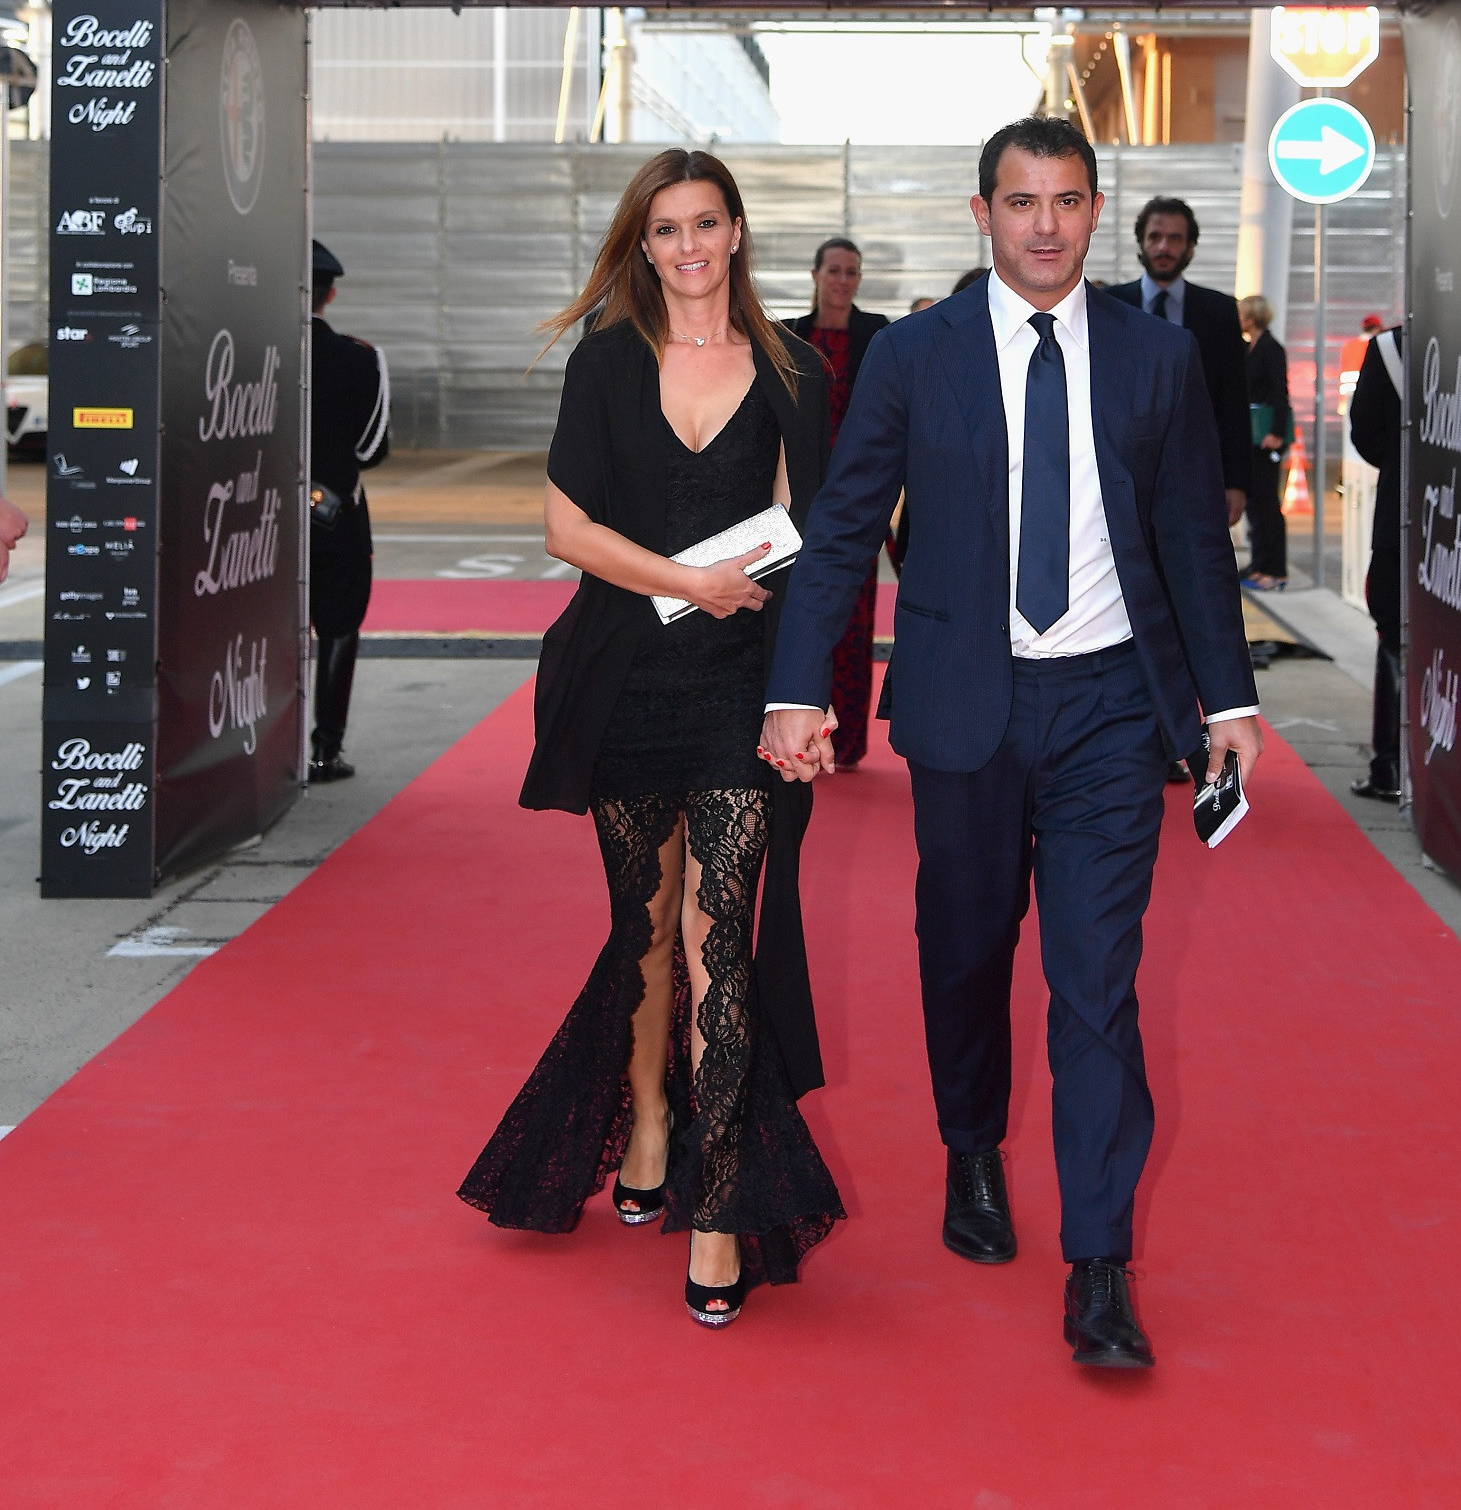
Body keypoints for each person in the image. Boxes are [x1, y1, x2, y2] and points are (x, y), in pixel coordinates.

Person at [763, 117, 1260, 1371]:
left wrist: (1229, 702)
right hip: (965, 703)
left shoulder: (1155, 358)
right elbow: (843, 527)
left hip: (1110, 709)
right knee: (967, 951)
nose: (1047, 224)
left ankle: (1099, 1265)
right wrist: (796, 688)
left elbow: (1193, 542)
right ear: (981, 212)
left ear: (1096, 212)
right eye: (1023, 201)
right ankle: (971, 1145)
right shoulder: (914, 354)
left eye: (1069, 200)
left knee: (1097, 983)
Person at [460, 150, 844, 1325]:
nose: (687, 247)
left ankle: (718, 1209)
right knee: (646, 931)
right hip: (624, 680)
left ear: (737, 232)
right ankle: (649, 1116)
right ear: (644, 244)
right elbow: (565, 528)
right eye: (665, 229)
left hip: (738, 689)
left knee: (720, 938)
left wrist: (805, 693)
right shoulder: (608, 362)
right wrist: (689, 581)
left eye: (705, 224)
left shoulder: (794, 368)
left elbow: (813, 539)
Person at [785, 239, 890, 770]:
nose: (843, 280)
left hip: (858, 496)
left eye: (852, 272)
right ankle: (793, 726)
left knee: (853, 618)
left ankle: (845, 741)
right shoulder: (790, 336)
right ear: (816, 274)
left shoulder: (877, 333)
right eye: (834, 270)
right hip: (798, 497)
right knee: (797, 609)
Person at [1106, 198, 1251, 530]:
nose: (1164, 247)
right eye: (1155, 237)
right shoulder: (1109, 306)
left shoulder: (1219, 312)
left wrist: (1237, 482)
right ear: (1141, 242)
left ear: (1190, 247)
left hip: (1196, 475)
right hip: (1120, 475)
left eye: (1175, 239)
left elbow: (1233, 401)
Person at [308, 241, 390, 783]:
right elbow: (371, 448)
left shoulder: (247, 354)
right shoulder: (361, 358)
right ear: (329, 295)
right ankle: (324, 752)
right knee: (338, 626)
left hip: (252, 516)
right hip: (335, 517)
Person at [1348, 320, 1403, 801]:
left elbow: (1365, 433)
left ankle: (1391, 764)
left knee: (1394, 632)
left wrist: (1402, 459)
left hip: (1401, 516)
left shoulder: (1389, 347)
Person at [1239, 295, 1292, 591]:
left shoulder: (1271, 349)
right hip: (1252, 435)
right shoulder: (1249, 348)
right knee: (1254, 504)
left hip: (1267, 437)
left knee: (1267, 503)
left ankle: (1275, 568)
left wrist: (1277, 433)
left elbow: (1279, 393)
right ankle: (1260, 563)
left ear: (1252, 317)